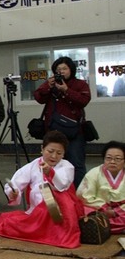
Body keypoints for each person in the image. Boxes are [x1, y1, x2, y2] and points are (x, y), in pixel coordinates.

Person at [0, 131, 84, 248]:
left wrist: (50, 173)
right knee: (10, 223)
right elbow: (15, 183)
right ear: (42, 149)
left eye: (59, 153)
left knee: (56, 206)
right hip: (37, 210)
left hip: (61, 209)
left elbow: (62, 185)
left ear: (64, 154)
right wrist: (14, 192)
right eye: (50, 151)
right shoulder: (32, 166)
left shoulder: (67, 166)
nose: (54, 156)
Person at [34, 56, 91, 187]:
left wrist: (66, 90)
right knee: (52, 162)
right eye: (58, 69)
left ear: (71, 70)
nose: (61, 71)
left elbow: (84, 100)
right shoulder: (51, 84)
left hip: (75, 131)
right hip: (53, 131)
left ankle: (79, 194)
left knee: (76, 163)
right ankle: (55, 193)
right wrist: (48, 85)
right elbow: (38, 97)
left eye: (65, 68)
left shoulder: (80, 84)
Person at [77, 140, 125, 234]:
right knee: (83, 211)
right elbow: (84, 196)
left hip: (121, 211)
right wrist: (104, 208)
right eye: (108, 158)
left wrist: (117, 211)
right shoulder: (94, 173)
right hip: (98, 210)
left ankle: (106, 228)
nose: (112, 162)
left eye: (117, 159)